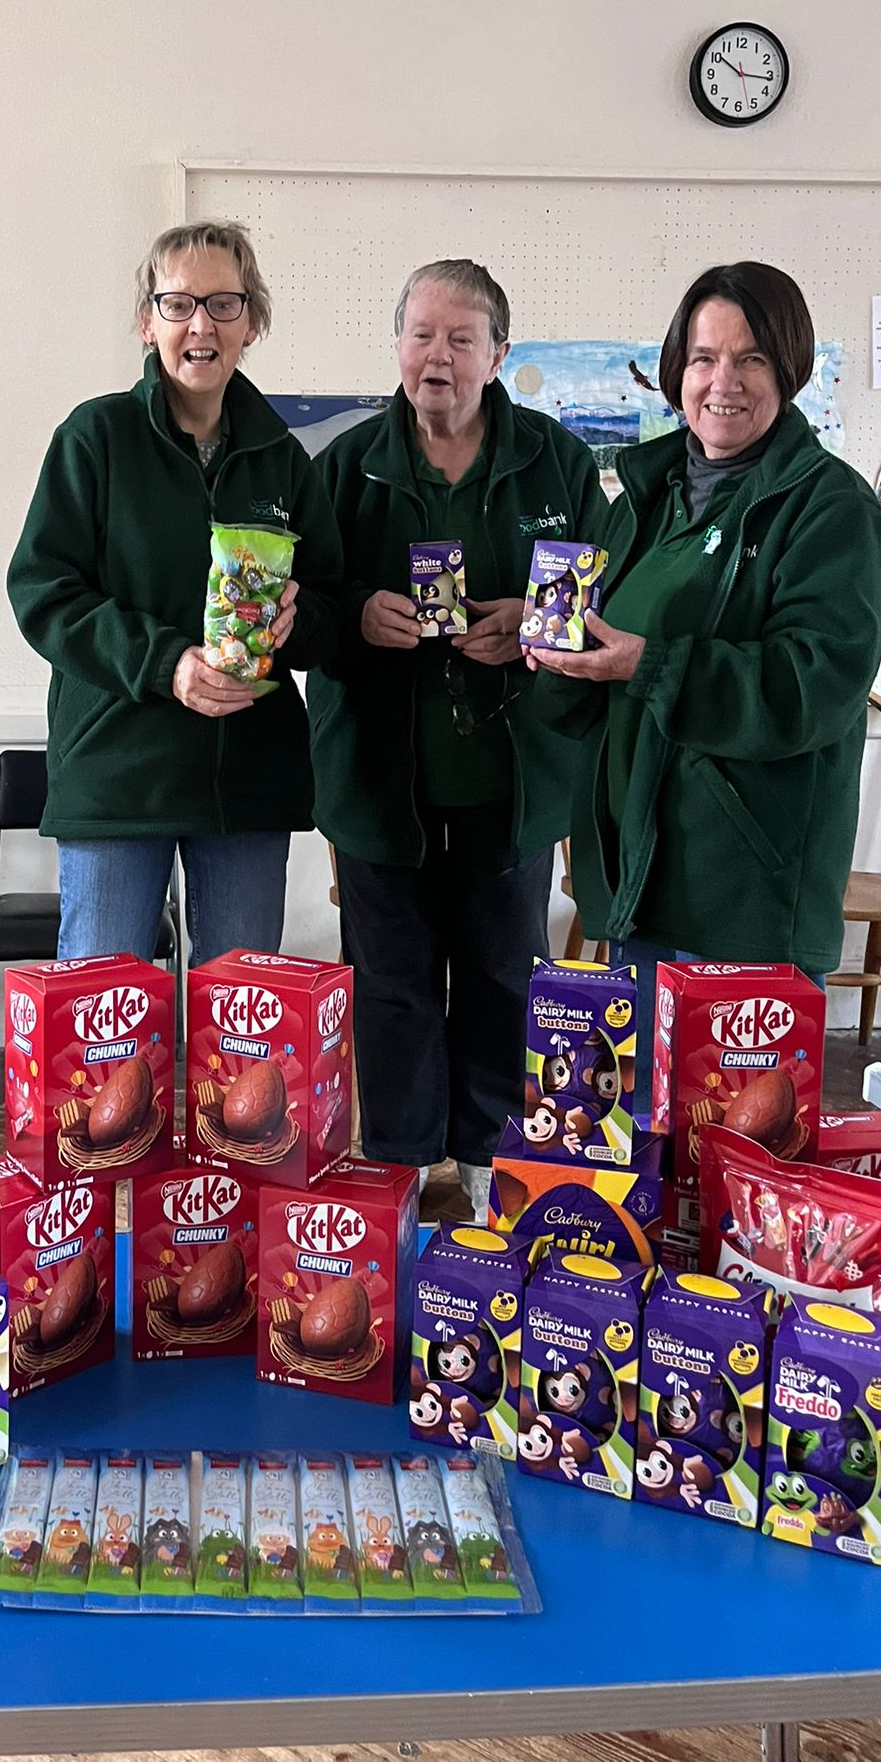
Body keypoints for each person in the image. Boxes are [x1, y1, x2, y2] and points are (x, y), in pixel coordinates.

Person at [309, 258, 608, 1219]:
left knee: (499, 980)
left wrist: (536, 617)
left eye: (461, 338)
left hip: (512, 781)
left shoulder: (557, 462)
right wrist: (356, 615)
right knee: (389, 984)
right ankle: (397, 1162)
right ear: (397, 345)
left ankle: (485, 1162)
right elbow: (298, 606)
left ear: (499, 355)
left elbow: (599, 597)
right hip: (377, 781)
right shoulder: (343, 466)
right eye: (421, 334)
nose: (437, 357)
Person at [527, 261, 881, 984]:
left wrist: (650, 664)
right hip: (642, 884)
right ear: (677, 371)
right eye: (703, 358)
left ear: (789, 370)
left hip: (747, 902)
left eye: (751, 358)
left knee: (734, 1102)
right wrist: (558, 656)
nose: (723, 381)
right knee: (643, 1103)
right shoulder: (642, 499)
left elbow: (812, 689)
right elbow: (598, 688)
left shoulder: (832, 510)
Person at [7, 220, 342, 965]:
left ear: (251, 322)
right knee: (102, 1030)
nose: (202, 324)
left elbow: (332, 609)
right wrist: (167, 664)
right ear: (146, 321)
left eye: (224, 304)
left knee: (241, 1026)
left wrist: (298, 621)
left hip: (247, 784)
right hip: (118, 779)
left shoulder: (284, 460)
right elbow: (43, 591)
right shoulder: (95, 438)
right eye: (179, 303)